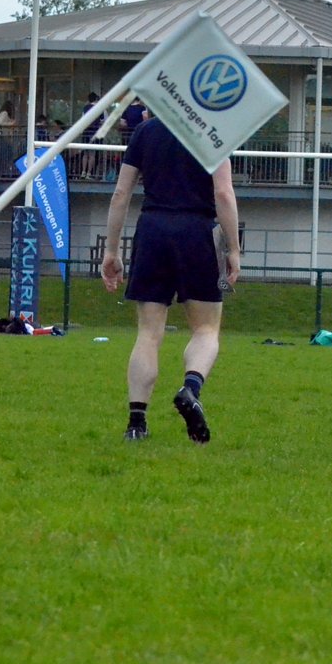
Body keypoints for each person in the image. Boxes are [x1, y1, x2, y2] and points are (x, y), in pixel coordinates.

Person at [100, 116, 241, 443]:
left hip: (153, 230)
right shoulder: (213, 130)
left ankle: (136, 424)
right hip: (199, 231)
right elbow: (223, 193)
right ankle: (191, 389)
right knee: (206, 329)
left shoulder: (145, 132)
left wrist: (111, 250)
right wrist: (234, 248)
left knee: (148, 333)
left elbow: (120, 193)